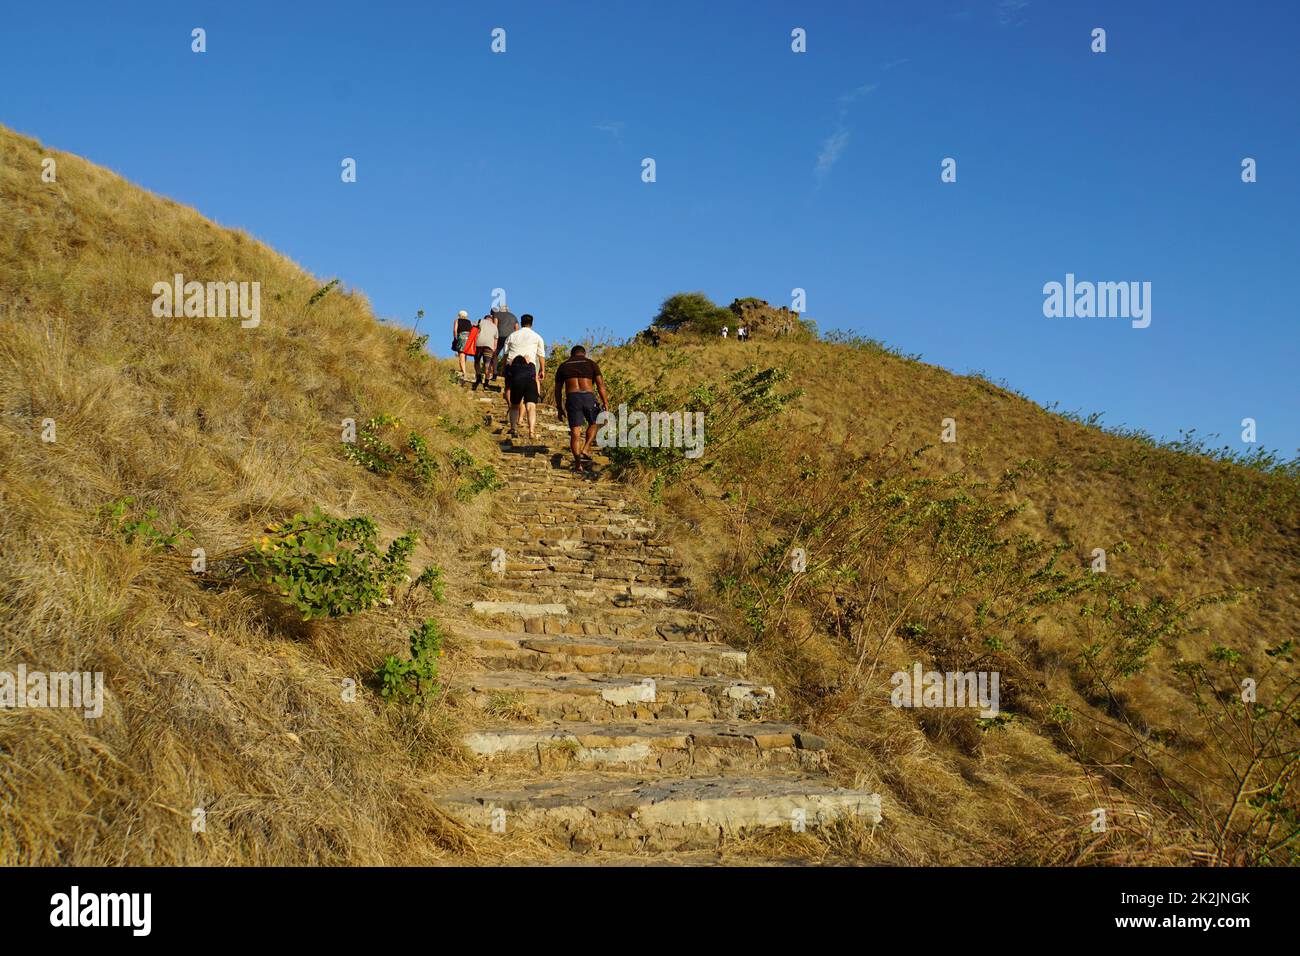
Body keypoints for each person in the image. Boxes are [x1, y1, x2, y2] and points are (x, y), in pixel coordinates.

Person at [554, 345, 609, 469]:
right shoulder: (591, 364)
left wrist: (559, 407)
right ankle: (585, 447)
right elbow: (600, 385)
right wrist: (605, 401)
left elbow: (558, 390)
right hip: (588, 397)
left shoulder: (564, 365)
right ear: (584, 354)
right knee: (594, 422)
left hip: (572, 398)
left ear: (571, 354)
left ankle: (578, 464)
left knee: (575, 433)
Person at [502, 313, 546, 391]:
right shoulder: (537, 337)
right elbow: (541, 355)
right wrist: (542, 370)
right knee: (532, 384)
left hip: (512, 364)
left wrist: (503, 367)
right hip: (529, 365)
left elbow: (505, 354)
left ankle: (510, 403)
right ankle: (533, 400)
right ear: (531, 324)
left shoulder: (512, 336)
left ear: (521, 323)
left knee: (509, 387)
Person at [503, 354, 539, 440]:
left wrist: (509, 364)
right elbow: (533, 370)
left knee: (514, 407)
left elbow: (507, 383)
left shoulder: (510, 367)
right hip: (531, 384)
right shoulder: (531, 366)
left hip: (517, 382)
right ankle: (531, 431)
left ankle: (513, 428)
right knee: (531, 407)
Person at [490, 305, 518, 380]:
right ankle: (507, 374)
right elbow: (517, 329)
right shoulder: (514, 317)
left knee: (495, 354)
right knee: (509, 356)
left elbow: (495, 326)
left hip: (500, 336)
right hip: (511, 338)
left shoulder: (497, 314)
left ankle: (495, 373)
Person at [474, 312, 498, 389]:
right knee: (487, 363)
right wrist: (494, 349)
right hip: (489, 346)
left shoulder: (480, 321)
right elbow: (496, 340)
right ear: (491, 320)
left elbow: (472, 325)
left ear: (485, 318)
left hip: (479, 344)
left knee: (477, 361)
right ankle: (486, 383)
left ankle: (478, 378)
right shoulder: (495, 327)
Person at [451, 310, 472, 380]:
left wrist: (455, 338)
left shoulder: (457, 320)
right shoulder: (469, 321)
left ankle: (463, 371)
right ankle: (463, 368)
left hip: (462, 336)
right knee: (465, 353)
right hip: (469, 338)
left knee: (461, 353)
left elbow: (455, 330)